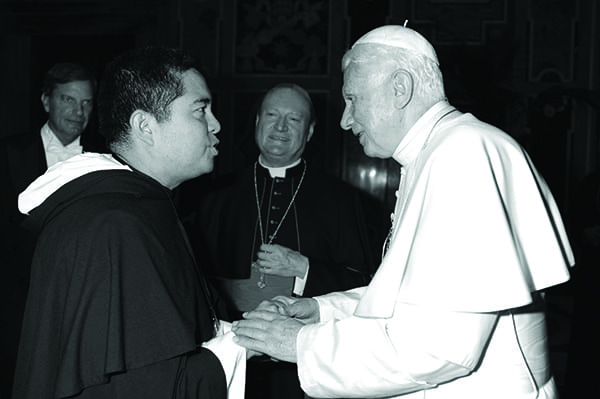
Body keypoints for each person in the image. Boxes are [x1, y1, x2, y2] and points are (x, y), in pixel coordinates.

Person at [232, 25, 574, 399]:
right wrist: (321, 310)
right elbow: (412, 301)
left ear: (400, 88)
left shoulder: (463, 155)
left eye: (353, 99)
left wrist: (301, 343)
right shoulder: (435, 153)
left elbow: (437, 347)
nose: (345, 120)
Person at [12, 46, 246, 399]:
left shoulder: (138, 204)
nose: (216, 124)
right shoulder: (114, 224)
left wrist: (246, 329)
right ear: (145, 126)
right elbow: (139, 385)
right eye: (200, 109)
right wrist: (242, 347)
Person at [187, 83, 381, 399]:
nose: (280, 127)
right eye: (272, 115)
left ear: (310, 131)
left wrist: (305, 269)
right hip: (227, 362)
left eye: (294, 119)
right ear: (257, 122)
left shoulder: (341, 200)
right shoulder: (213, 195)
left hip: (303, 370)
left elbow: (366, 285)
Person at [0, 62, 103, 398]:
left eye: (86, 102)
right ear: (46, 101)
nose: (78, 111)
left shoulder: (103, 157)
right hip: (16, 303)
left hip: (81, 301)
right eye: (68, 100)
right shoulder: (8, 154)